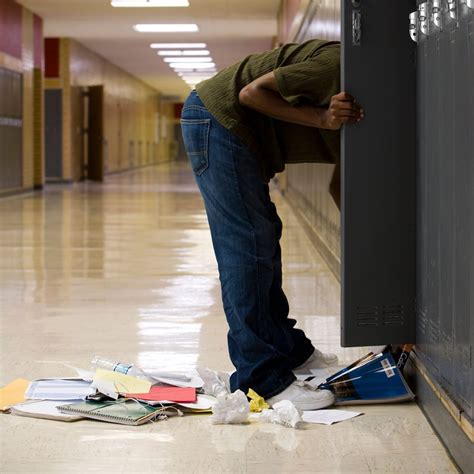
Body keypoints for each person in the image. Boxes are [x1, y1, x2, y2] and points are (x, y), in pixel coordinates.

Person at [180, 39, 363, 410]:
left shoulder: (373, 109)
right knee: (246, 244)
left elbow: (339, 185)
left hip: (233, 132)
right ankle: (261, 378)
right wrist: (322, 118)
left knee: (263, 237)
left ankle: (289, 351)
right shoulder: (341, 66)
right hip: (218, 119)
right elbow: (252, 93)